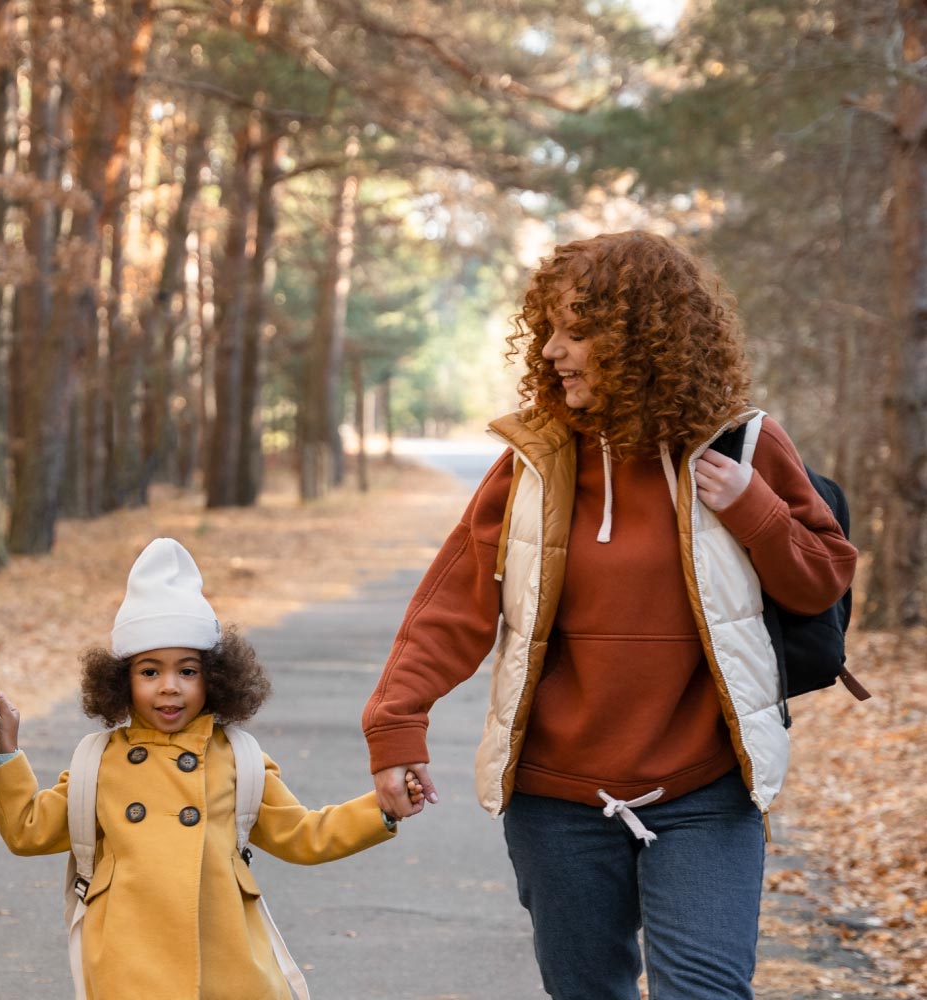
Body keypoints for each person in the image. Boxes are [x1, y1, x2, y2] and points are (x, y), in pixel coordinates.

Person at [363, 231, 857, 1000]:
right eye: (550, 329)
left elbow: (822, 579)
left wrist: (756, 512)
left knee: (706, 990)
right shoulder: (535, 462)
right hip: (555, 798)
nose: (554, 350)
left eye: (580, 331)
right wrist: (396, 725)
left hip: (706, 787)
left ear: (646, 336)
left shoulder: (742, 447)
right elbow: (452, 605)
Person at [0, 537, 410, 999]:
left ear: (215, 677)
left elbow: (303, 835)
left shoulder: (239, 759)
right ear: (121, 680)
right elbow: (29, 831)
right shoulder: (98, 763)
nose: (169, 688)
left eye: (187, 671)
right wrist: (6, 755)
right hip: (128, 968)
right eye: (149, 672)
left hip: (229, 966)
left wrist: (381, 808)